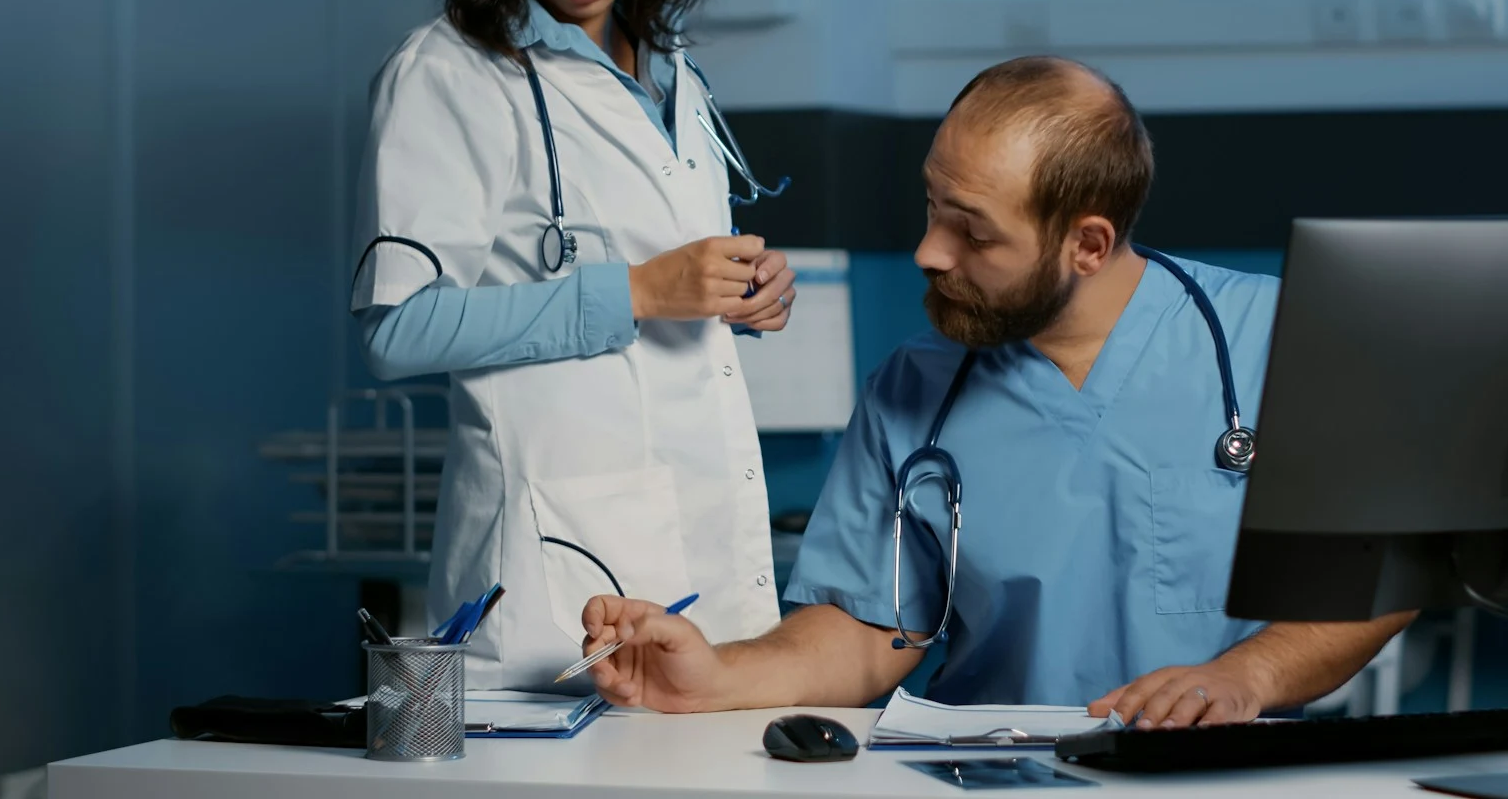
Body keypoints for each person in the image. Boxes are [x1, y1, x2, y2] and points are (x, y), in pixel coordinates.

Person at [576, 56, 1415, 726]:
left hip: (1224, 777)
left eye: (973, 230)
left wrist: (1245, 677)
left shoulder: (1276, 341)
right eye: (932, 206)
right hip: (992, 773)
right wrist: (718, 677)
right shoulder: (916, 385)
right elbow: (872, 628)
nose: (929, 253)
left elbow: (1382, 572)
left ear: (1087, 244)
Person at [348, 0, 796, 690]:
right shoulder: (450, 74)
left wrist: (740, 295)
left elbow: (667, 309)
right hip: (558, 580)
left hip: (709, 561)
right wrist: (636, 291)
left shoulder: (671, 72)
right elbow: (397, 326)